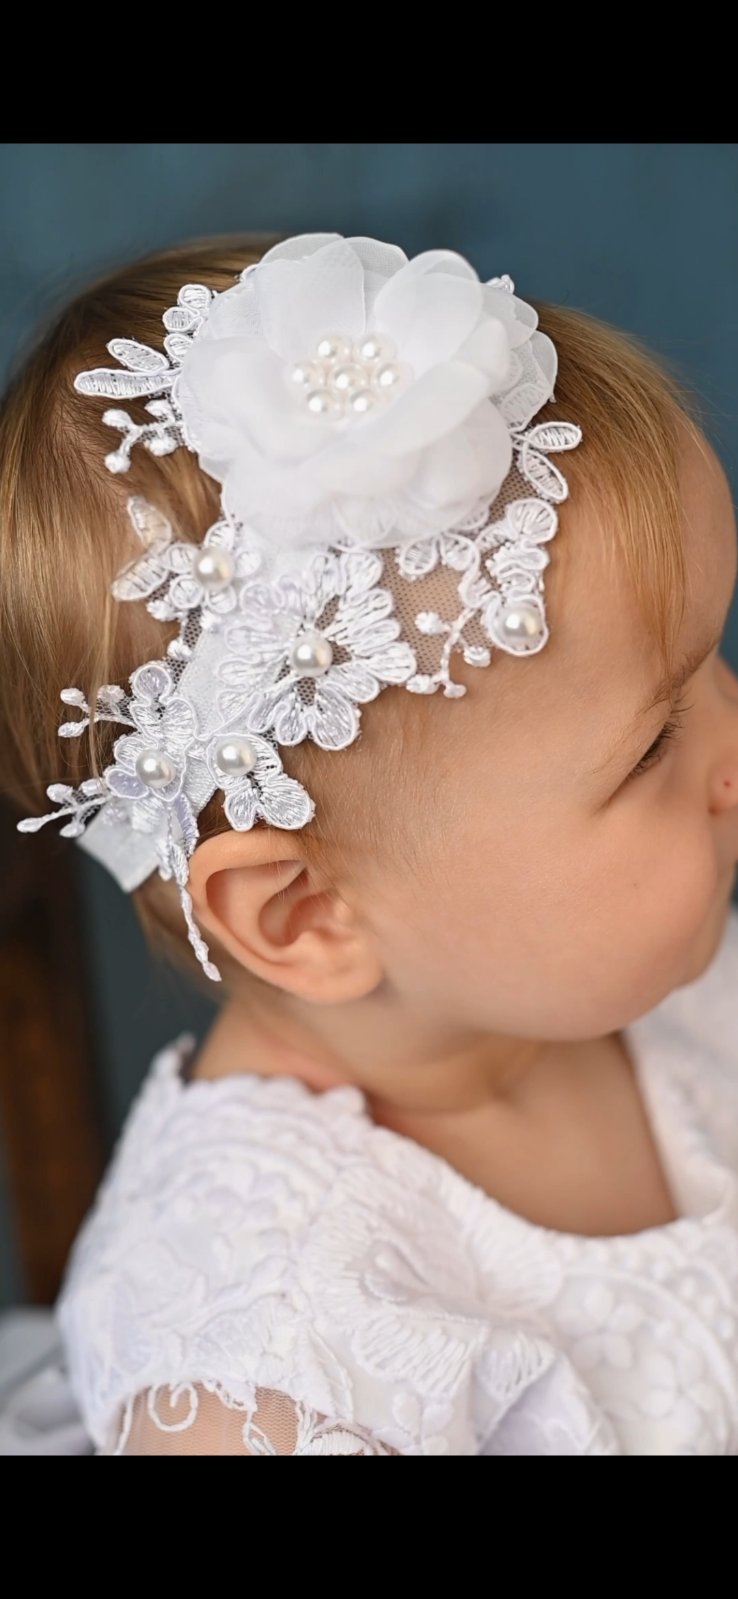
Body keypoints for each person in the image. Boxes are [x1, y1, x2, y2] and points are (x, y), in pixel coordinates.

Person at [1, 232, 737, 1457]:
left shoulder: (610, 979)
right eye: (653, 746)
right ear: (308, 915)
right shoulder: (280, 1355)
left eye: (714, 657)